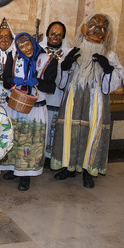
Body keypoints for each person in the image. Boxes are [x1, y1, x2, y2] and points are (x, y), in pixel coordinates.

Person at [51, 13, 124, 188]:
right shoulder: (72, 51)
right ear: (84, 30)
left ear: (106, 34)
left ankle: (88, 171)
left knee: (92, 133)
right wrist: (65, 66)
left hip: (95, 102)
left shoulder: (110, 55)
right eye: (92, 27)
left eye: (101, 30)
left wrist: (108, 69)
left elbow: (119, 76)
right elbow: (61, 81)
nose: (95, 33)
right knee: (70, 130)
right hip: (73, 100)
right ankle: (68, 167)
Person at [1, 33, 57, 191]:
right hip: (15, 105)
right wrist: (13, 81)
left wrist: (37, 81)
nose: (26, 49)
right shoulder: (13, 56)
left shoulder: (47, 60)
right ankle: (12, 169)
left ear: (33, 42)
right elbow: (6, 81)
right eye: (22, 46)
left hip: (35, 108)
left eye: (28, 45)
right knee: (13, 137)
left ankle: (25, 176)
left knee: (29, 142)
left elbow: (51, 87)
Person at [39, 21, 71, 168]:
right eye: (53, 33)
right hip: (41, 97)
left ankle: (50, 157)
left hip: (58, 97)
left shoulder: (68, 53)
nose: (55, 37)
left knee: (53, 129)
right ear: (47, 34)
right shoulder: (38, 49)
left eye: (59, 35)